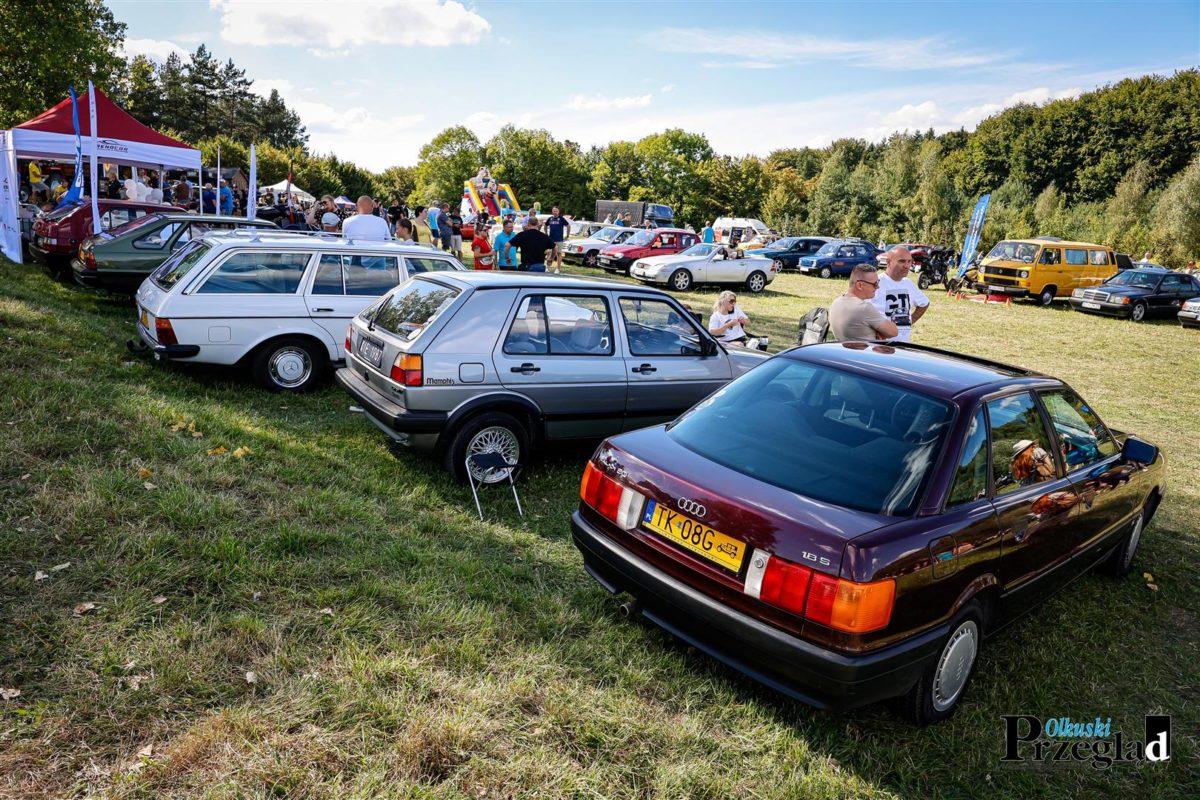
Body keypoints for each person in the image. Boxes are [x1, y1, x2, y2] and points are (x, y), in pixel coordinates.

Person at [871, 245, 930, 342]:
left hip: (903, 345)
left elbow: (924, 303)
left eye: (909, 261)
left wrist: (910, 321)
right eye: (901, 261)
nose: (907, 266)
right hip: (880, 345)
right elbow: (858, 309)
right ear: (888, 262)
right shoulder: (875, 282)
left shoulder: (908, 284)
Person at [829, 264, 900, 341]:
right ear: (859, 285)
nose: (878, 287)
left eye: (878, 282)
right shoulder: (864, 308)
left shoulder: (836, 302)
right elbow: (893, 332)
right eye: (875, 284)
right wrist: (879, 331)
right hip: (866, 349)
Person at [544, 205, 570, 272]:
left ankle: (558, 269)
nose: (555, 212)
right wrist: (546, 233)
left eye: (556, 211)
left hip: (559, 239)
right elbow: (545, 225)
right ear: (552, 211)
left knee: (559, 253)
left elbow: (568, 226)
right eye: (554, 211)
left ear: (558, 212)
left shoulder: (561, 219)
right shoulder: (550, 219)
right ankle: (547, 267)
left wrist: (567, 235)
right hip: (551, 239)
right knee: (549, 252)